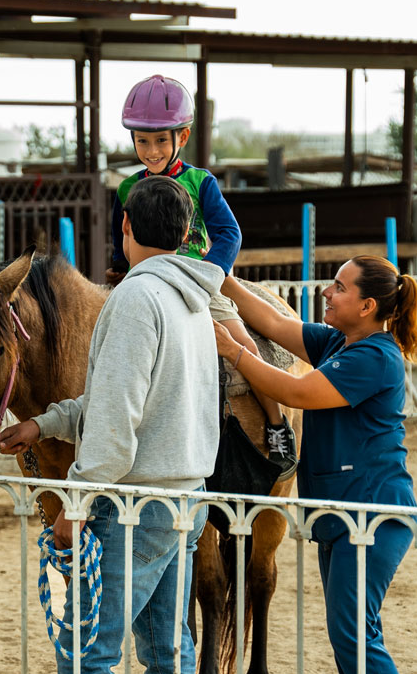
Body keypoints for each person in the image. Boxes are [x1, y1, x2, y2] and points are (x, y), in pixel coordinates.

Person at [0, 174, 222, 674]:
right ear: (184, 235)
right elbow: (116, 401)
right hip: (185, 497)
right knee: (170, 652)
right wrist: (44, 424)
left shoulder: (133, 299)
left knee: (88, 654)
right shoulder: (193, 299)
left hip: (134, 505)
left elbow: (117, 420)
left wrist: (76, 500)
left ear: (126, 228)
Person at [213, 256, 417, 674]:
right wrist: (222, 278)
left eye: (339, 287)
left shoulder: (375, 358)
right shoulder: (339, 343)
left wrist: (233, 351)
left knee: (354, 632)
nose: (327, 293)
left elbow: (297, 393)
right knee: (348, 633)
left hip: (371, 515)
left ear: (367, 306)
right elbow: (273, 321)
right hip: (340, 516)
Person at [109, 73, 296, 480]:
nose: (151, 150)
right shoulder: (126, 189)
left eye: (161, 140)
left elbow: (229, 233)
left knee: (243, 343)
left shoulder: (200, 182)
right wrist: (120, 270)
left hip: (197, 284)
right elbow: (119, 238)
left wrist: (208, 275)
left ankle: (277, 425)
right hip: (144, 285)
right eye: (142, 141)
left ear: (183, 136)